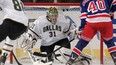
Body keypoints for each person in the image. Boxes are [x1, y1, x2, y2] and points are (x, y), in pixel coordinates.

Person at [22, 7, 91, 64]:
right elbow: (32, 32)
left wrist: (75, 33)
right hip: (46, 44)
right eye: (52, 15)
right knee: (45, 61)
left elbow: (70, 31)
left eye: (55, 15)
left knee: (60, 54)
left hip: (61, 41)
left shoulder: (63, 20)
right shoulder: (40, 21)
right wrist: (28, 39)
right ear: (48, 15)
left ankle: (79, 59)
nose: (54, 17)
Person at [66, 0, 116, 65]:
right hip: (106, 21)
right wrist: (111, 11)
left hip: (92, 23)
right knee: (110, 42)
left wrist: (82, 27)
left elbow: (83, 16)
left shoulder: (84, 2)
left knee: (82, 43)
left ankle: (70, 61)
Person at [0, 0, 28, 65]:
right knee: (11, 38)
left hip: (11, 21)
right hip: (23, 26)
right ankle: (3, 59)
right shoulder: (20, 1)